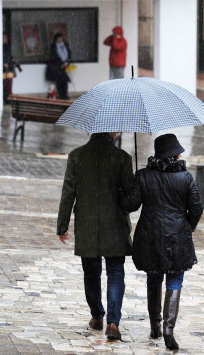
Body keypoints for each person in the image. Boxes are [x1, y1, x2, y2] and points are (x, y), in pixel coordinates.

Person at [121, 134, 203, 350]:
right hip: (178, 237)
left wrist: (131, 184)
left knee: (153, 277)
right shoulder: (185, 177)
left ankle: (155, 325)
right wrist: (186, 228)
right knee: (175, 280)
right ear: (173, 154)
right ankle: (168, 329)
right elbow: (196, 208)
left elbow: (129, 205)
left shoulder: (144, 175)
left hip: (150, 236)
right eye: (178, 151)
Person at [57, 132, 134, 340]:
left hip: (87, 225)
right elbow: (131, 200)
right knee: (115, 272)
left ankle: (97, 316)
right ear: (112, 132)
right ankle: (113, 323)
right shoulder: (123, 158)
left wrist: (62, 225)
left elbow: (68, 192)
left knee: (91, 272)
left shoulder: (77, 156)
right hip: (116, 226)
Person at [46, 33, 71, 100]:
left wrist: (67, 62)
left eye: (61, 38)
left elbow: (69, 54)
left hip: (64, 66)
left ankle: (65, 94)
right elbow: (53, 56)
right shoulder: (54, 46)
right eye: (59, 38)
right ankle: (62, 95)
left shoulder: (65, 45)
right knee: (59, 82)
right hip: (57, 67)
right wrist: (60, 63)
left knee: (65, 82)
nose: (60, 40)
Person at [3, 33, 21, 104]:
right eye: (3, 38)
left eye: (5, 38)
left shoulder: (7, 47)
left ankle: (9, 99)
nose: (4, 40)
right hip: (2, 70)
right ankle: (5, 99)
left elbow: (10, 56)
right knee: (3, 85)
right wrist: (3, 64)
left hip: (9, 68)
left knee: (9, 86)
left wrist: (12, 60)